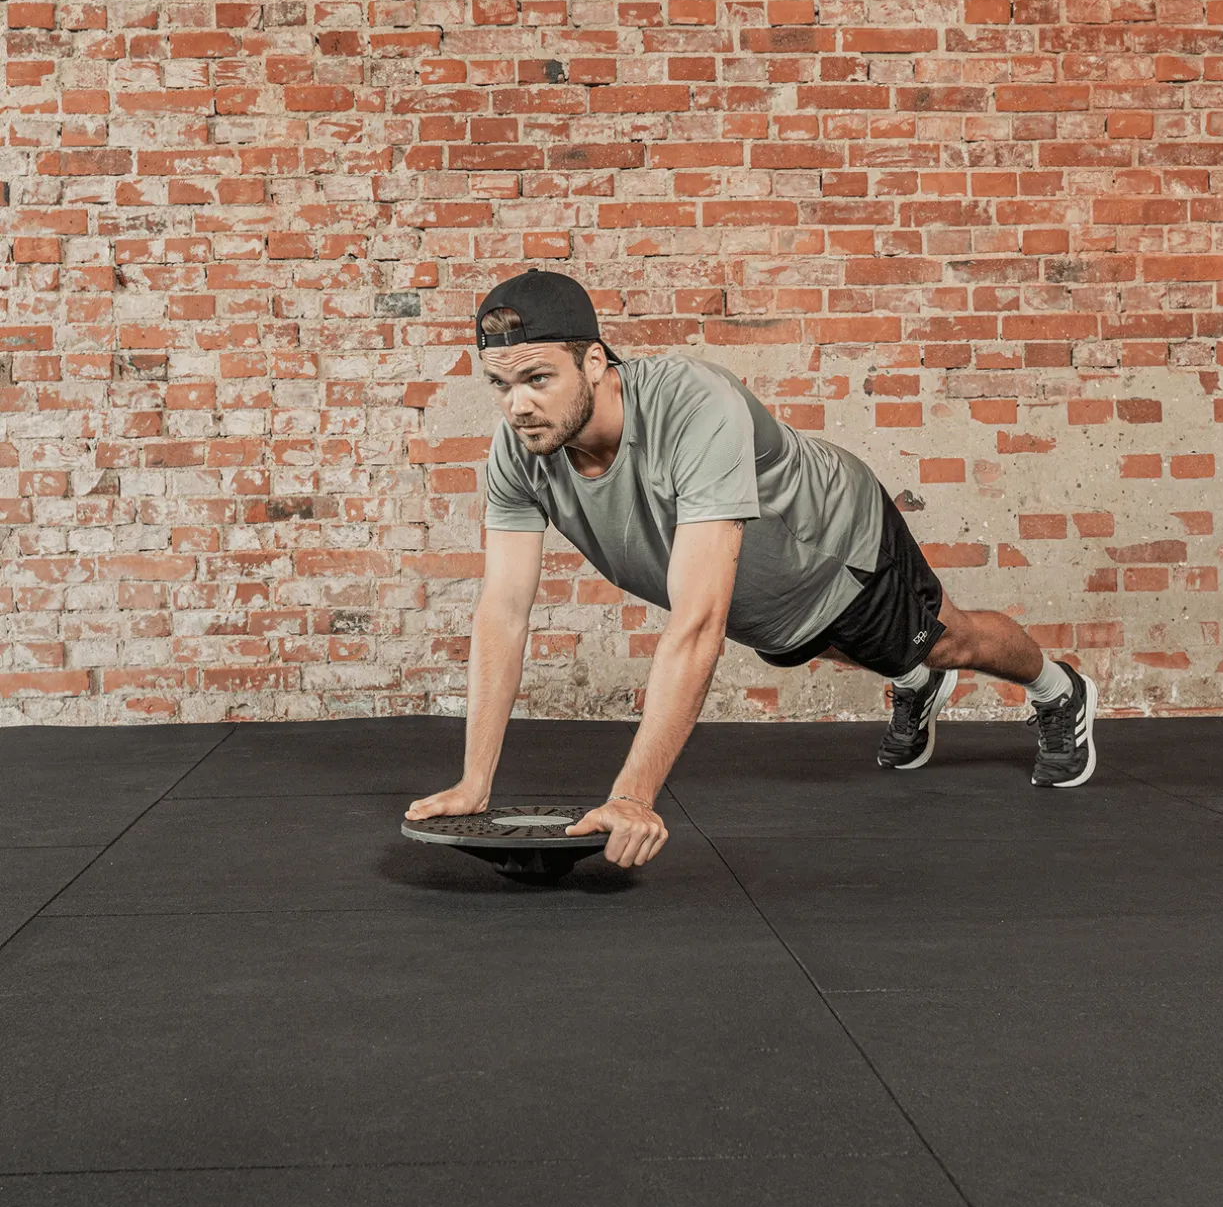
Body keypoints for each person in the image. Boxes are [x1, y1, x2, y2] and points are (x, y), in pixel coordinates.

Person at [405, 268, 1098, 868]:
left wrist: (632, 796)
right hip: (766, 598)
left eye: (536, 378)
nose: (517, 404)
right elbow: (504, 610)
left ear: (594, 364)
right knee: (823, 645)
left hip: (835, 548)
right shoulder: (520, 450)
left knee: (950, 639)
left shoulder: (692, 406)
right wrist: (474, 783)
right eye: (500, 384)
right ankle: (913, 683)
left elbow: (698, 618)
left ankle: (1057, 689)